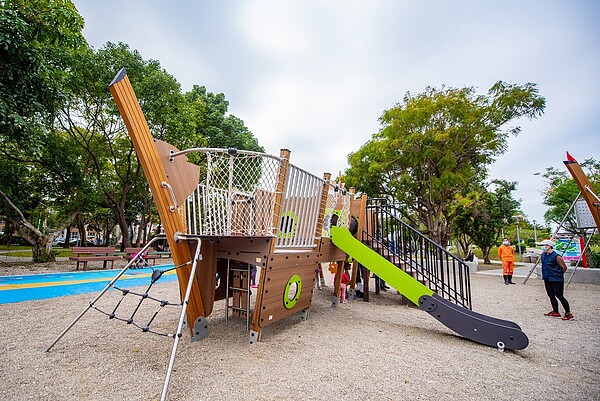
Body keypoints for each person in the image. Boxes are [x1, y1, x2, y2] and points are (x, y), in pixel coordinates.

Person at [537, 239, 573, 321]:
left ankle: (568, 313)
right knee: (551, 295)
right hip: (547, 278)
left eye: (544, 245)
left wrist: (558, 274)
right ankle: (555, 311)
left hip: (556, 279)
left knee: (560, 296)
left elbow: (564, 267)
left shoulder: (557, 256)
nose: (543, 247)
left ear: (549, 246)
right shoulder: (543, 255)